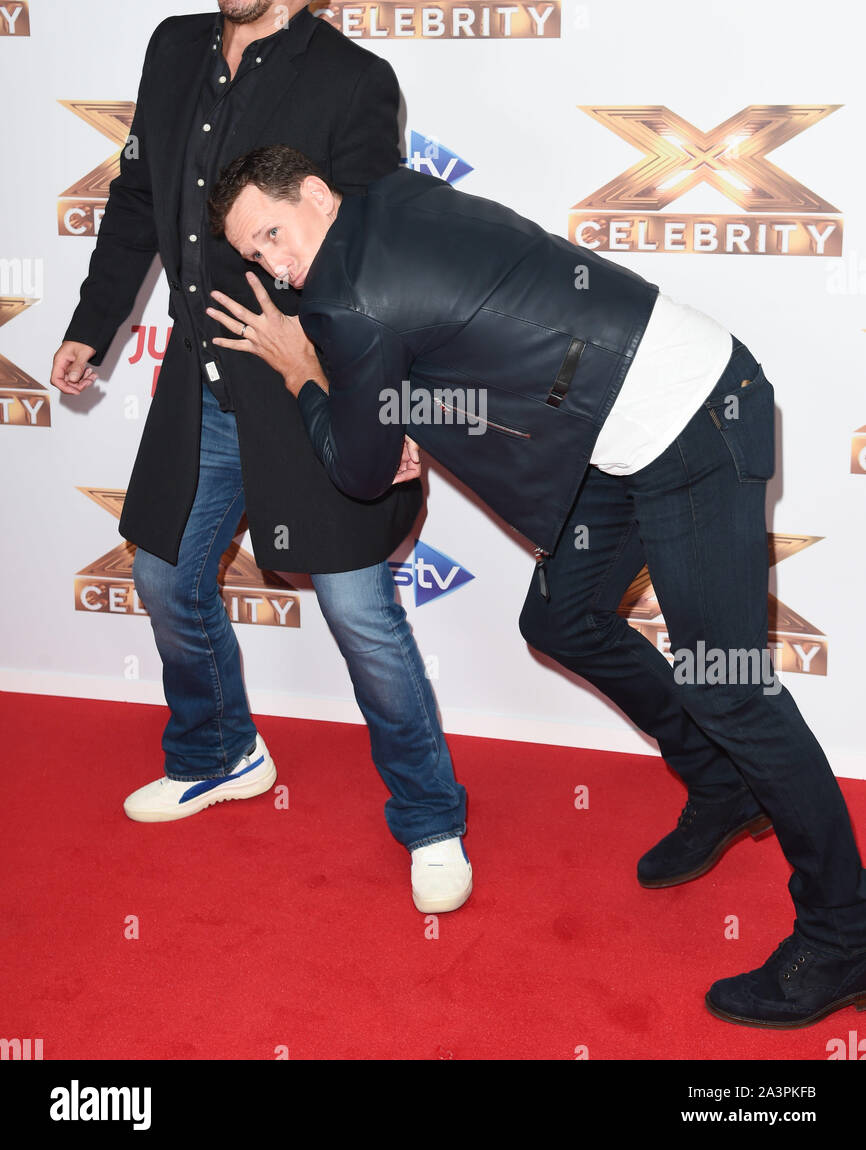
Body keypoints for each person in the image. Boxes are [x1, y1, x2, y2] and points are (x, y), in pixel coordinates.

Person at [204, 147, 866, 1028]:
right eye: (255, 257)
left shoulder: (341, 302)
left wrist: (307, 376)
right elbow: (461, 335)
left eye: (276, 236)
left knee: (731, 688)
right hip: (618, 420)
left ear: (318, 196)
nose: (276, 269)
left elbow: (360, 471)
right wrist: (393, 405)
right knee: (563, 614)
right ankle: (722, 784)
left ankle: (844, 934)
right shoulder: (393, 197)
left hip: (696, 423)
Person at [49, 0, 470, 917]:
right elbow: (138, 198)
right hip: (198, 386)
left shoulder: (353, 83)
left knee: (359, 610)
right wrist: (94, 328)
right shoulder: (174, 47)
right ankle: (220, 749)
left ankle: (429, 814)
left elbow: (377, 257)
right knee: (162, 574)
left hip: (305, 385)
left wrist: (382, 401)